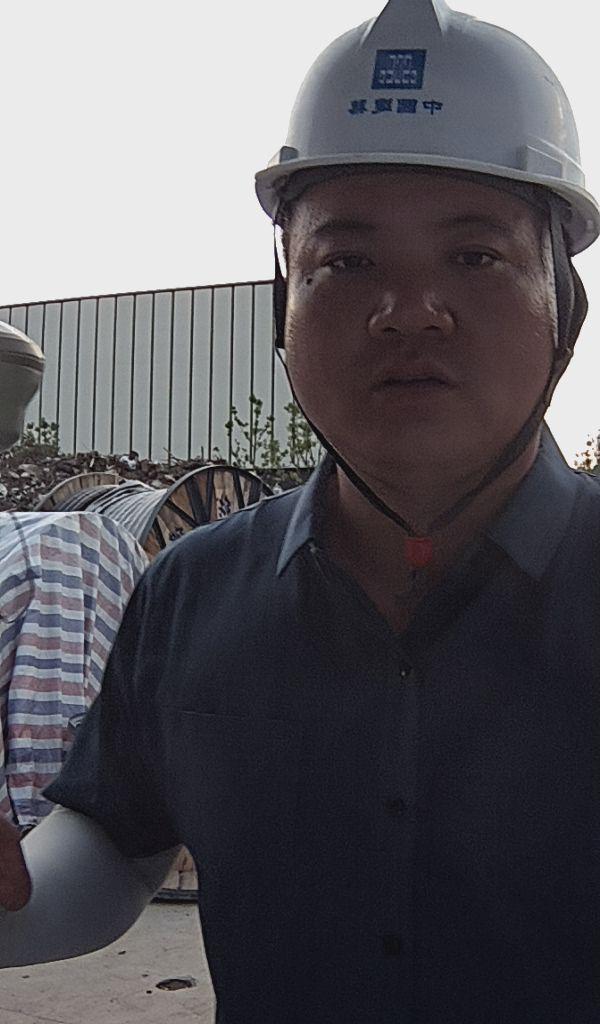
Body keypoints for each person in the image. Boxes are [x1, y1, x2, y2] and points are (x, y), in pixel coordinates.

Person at [1, 1, 599, 1021]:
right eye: (347, 262)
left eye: (475, 257)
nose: (409, 311)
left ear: (565, 307)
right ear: (282, 307)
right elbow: (113, 837)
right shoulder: (192, 588)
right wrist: (19, 898)